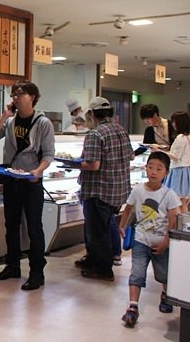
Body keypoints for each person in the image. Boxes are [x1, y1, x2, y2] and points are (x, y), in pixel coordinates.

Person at [0, 80, 54, 291]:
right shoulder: (11, 122)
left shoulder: (43, 123)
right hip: (11, 180)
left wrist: (38, 171)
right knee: (11, 225)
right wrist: (5, 115)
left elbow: (49, 154)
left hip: (32, 182)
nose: (16, 97)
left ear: (32, 97)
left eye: (20, 94)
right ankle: (12, 265)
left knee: (34, 227)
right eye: (14, 94)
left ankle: (37, 272)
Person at [74, 96, 134, 282]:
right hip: (118, 190)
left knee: (98, 231)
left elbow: (93, 165)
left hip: (98, 190)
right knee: (103, 227)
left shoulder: (95, 134)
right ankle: (93, 260)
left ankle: (103, 269)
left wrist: (72, 164)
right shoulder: (120, 129)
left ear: (92, 113)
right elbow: (131, 156)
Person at [119, 151, 181, 327]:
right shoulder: (138, 190)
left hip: (160, 242)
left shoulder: (169, 195)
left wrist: (166, 242)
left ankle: (166, 295)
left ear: (166, 173)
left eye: (159, 169)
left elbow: (173, 220)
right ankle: (133, 307)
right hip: (140, 240)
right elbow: (129, 208)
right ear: (145, 168)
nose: (154, 172)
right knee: (137, 273)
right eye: (150, 167)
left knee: (163, 274)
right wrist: (122, 225)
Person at [162, 111, 190, 213]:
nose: (173, 124)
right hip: (186, 171)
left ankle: (177, 225)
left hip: (178, 171)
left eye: (174, 122)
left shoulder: (181, 138)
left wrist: (159, 151)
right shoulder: (188, 136)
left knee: (176, 202)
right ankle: (184, 225)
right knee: (183, 202)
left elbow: (175, 157)